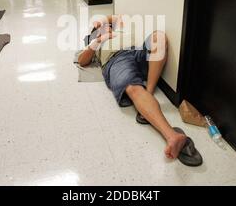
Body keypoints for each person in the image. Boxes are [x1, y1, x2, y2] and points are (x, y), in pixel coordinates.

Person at [77, 15, 203, 166]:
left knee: (159, 37)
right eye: (103, 27)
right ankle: (172, 136)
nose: (108, 26)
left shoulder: (119, 30)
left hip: (136, 52)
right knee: (134, 88)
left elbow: (116, 17)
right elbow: (82, 61)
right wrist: (99, 38)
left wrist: (104, 21)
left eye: (109, 26)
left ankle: (148, 94)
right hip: (116, 61)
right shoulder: (95, 40)